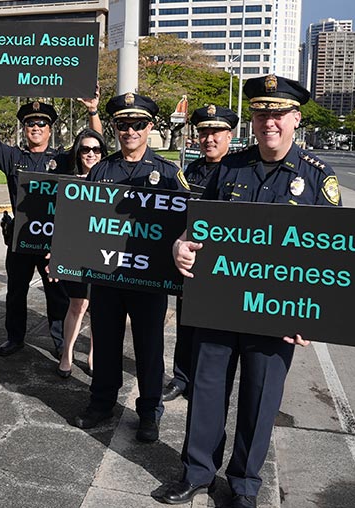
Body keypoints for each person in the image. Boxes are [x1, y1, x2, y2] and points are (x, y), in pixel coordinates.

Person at [161, 76, 339, 508]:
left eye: (278, 114)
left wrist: (315, 314)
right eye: (262, 114)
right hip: (219, 305)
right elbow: (198, 225)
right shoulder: (230, 167)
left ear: (296, 118)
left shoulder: (318, 178)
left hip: (277, 312)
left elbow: (335, 256)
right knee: (206, 390)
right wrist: (179, 246)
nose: (269, 122)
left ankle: (244, 484)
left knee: (260, 398)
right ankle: (197, 472)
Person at [71, 92, 189, 444]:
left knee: (149, 348)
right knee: (105, 342)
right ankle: (101, 402)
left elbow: (188, 220)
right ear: (116, 128)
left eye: (138, 124)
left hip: (149, 279)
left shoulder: (168, 174)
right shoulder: (102, 170)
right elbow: (84, 219)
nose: (130, 131)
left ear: (149, 127)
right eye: (123, 125)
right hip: (107, 276)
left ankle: (150, 411)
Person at [0, 91, 102, 359]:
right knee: (16, 293)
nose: (36, 128)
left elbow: (95, 144)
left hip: (53, 241)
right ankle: (14, 338)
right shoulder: (12, 157)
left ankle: (59, 341)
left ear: (50, 129)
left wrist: (93, 111)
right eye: (31, 124)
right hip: (20, 239)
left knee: (57, 294)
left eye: (42, 124)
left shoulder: (63, 159)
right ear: (24, 128)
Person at [162, 105, 238, 402]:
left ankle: (206, 385)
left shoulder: (237, 172)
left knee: (216, 333)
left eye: (216, 133)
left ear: (229, 136)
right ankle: (181, 378)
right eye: (204, 132)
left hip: (224, 266)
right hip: (191, 260)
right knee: (185, 323)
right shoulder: (190, 171)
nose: (209, 139)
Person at [56, 127, 107, 378]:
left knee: (97, 306)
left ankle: (93, 355)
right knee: (77, 304)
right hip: (74, 253)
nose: (91, 154)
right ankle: (66, 354)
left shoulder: (111, 181)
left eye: (96, 149)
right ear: (78, 153)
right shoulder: (68, 182)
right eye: (85, 149)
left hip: (102, 256)